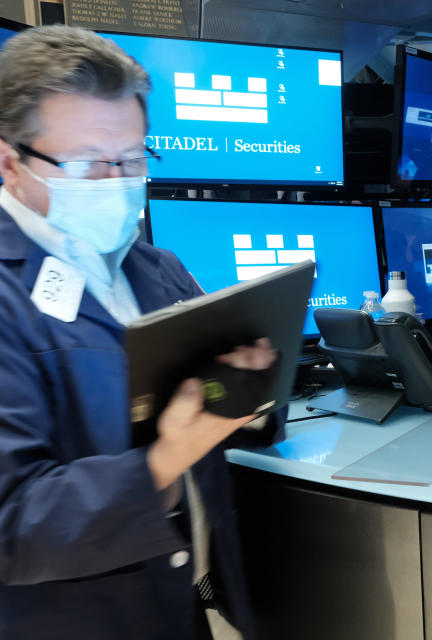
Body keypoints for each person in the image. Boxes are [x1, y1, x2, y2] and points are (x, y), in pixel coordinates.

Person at [0, 26, 282, 639]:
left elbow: (218, 409)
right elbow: (11, 524)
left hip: (182, 608)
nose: (115, 183)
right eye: (84, 163)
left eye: (130, 160)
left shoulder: (156, 268)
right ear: (10, 162)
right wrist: (166, 456)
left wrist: (251, 390)